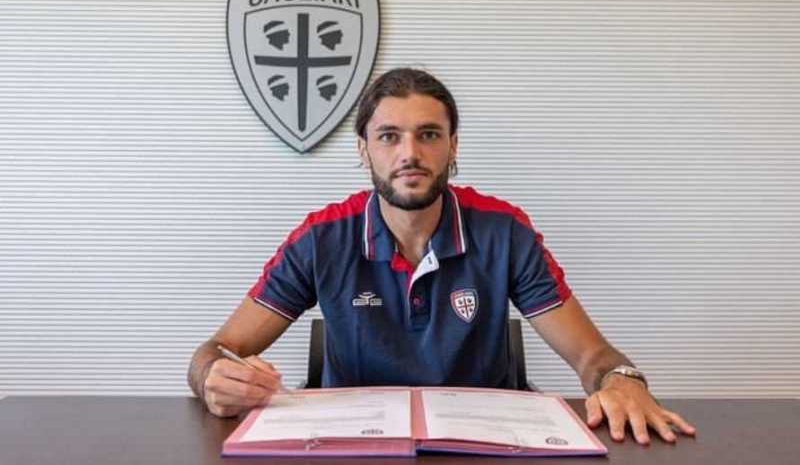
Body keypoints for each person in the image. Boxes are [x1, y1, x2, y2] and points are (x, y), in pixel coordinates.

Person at [188, 68, 696, 445]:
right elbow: (215, 351)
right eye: (389, 136)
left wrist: (624, 381)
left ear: (453, 147)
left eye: (428, 135)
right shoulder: (321, 238)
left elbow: (593, 357)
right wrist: (213, 377)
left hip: (485, 446)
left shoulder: (505, 232)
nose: (409, 153)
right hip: (354, 448)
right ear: (364, 151)